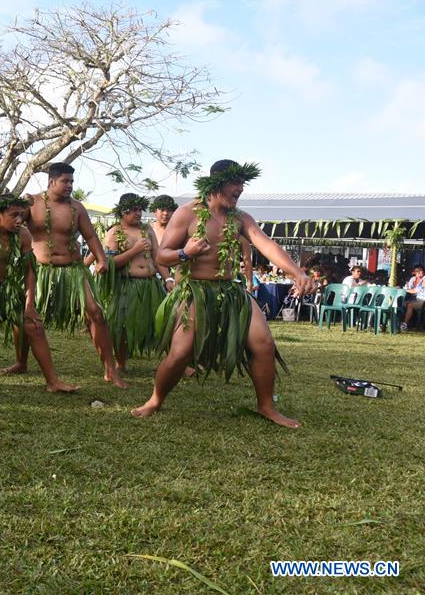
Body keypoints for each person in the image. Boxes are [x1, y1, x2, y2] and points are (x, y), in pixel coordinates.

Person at [132, 160, 315, 428]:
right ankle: (155, 400)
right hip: (194, 290)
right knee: (180, 353)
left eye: (242, 184)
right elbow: (162, 255)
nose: (240, 189)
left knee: (263, 344)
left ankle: (266, 406)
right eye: (235, 183)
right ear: (216, 183)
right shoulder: (187, 213)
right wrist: (186, 252)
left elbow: (265, 244)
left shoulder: (240, 218)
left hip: (230, 290)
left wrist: (297, 272)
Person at [0, 194, 78, 393]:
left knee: (33, 325)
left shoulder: (23, 235)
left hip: (8, 288)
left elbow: (30, 272)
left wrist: (29, 305)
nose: (19, 220)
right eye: (14, 215)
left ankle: (49, 380)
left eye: (21, 215)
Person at [21, 162, 126, 387]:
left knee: (96, 313)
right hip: (39, 270)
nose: (69, 185)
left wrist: (101, 258)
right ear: (51, 181)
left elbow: (90, 236)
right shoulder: (32, 203)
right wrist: (21, 206)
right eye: (65, 181)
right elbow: (11, 222)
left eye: (71, 181)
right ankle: (21, 363)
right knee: (27, 315)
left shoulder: (77, 207)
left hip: (73, 270)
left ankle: (110, 370)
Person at [98, 193, 174, 370]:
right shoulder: (114, 232)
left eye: (140, 209)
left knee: (164, 321)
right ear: (122, 212)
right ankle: (121, 363)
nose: (138, 213)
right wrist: (135, 250)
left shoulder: (147, 230)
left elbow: (157, 257)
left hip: (151, 284)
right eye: (134, 210)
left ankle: (175, 362)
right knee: (122, 325)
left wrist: (168, 278)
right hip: (126, 285)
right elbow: (108, 264)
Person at [401, 265, 425, 331]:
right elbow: (408, 287)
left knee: (410, 305)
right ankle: (400, 322)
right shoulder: (413, 279)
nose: (419, 272)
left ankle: (404, 324)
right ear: (414, 272)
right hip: (416, 298)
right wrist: (406, 289)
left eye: (421, 270)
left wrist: (406, 290)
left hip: (424, 300)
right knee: (402, 303)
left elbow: (416, 290)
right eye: (417, 271)